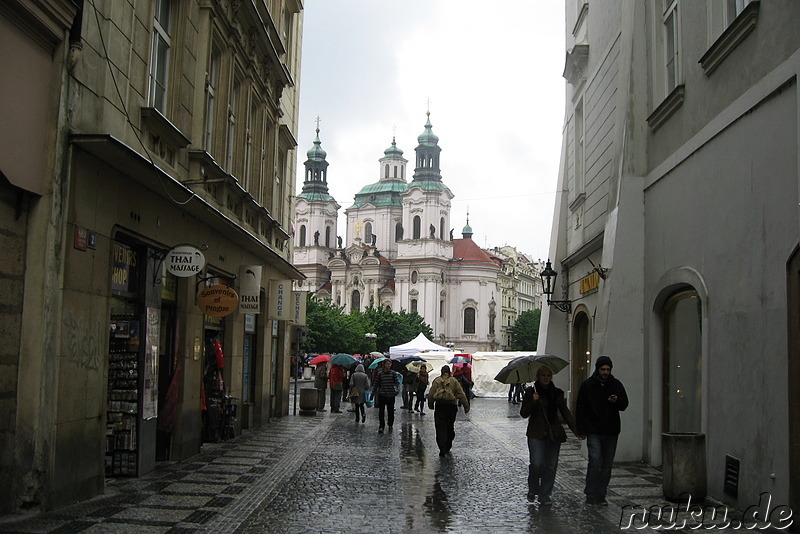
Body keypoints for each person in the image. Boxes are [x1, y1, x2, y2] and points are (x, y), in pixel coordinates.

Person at [520, 366, 581, 505]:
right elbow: (523, 413)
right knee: (537, 463)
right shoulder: (531, 392)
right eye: (543, 375)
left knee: (551, 465)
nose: (546, 378)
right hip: (536, 433)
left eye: (548, 375)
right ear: (538, 377)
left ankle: (545, 495)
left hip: (553, 433)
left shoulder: (557, 393)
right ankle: (533, 488)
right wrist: (533, 401)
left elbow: (565, 412)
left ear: (551, 377)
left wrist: (576, 430)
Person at [576, 355, 629, 505]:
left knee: (606, 465)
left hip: (611, 430)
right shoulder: (588, 385)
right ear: (597, 369)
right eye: (603, 369)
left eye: (608, 369)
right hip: (594, 429)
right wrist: (581, 429)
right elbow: (580, 407)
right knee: (595, 461)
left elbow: (624, 404)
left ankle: (601, 494)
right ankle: (591, 493)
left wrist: (616, 401)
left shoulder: (616, 384)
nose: (605, 372)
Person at [428, 365, 470, 456]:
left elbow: (431, 393)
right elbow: (461, 393)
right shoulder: (454, 381)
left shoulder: (437, 381)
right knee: (449, 426)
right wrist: (466, 405)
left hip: (439, 406)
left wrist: (430, 404)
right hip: (451, 406)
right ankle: (448, 444)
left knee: (440, 428)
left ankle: (442, 447)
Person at [371, 358, 401, 433]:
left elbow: (397, 383)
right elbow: (376, 384)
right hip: (382, 394)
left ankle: (390, 424)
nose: (388, 365)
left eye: (389, 364)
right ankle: (381, 426)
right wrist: (372, 394)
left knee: (390, 411)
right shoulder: (380, 373)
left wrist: (397, 390)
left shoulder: (393, 373)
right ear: (384, 364)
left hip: (391, 395)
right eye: (387, 364)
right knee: (381, 411)